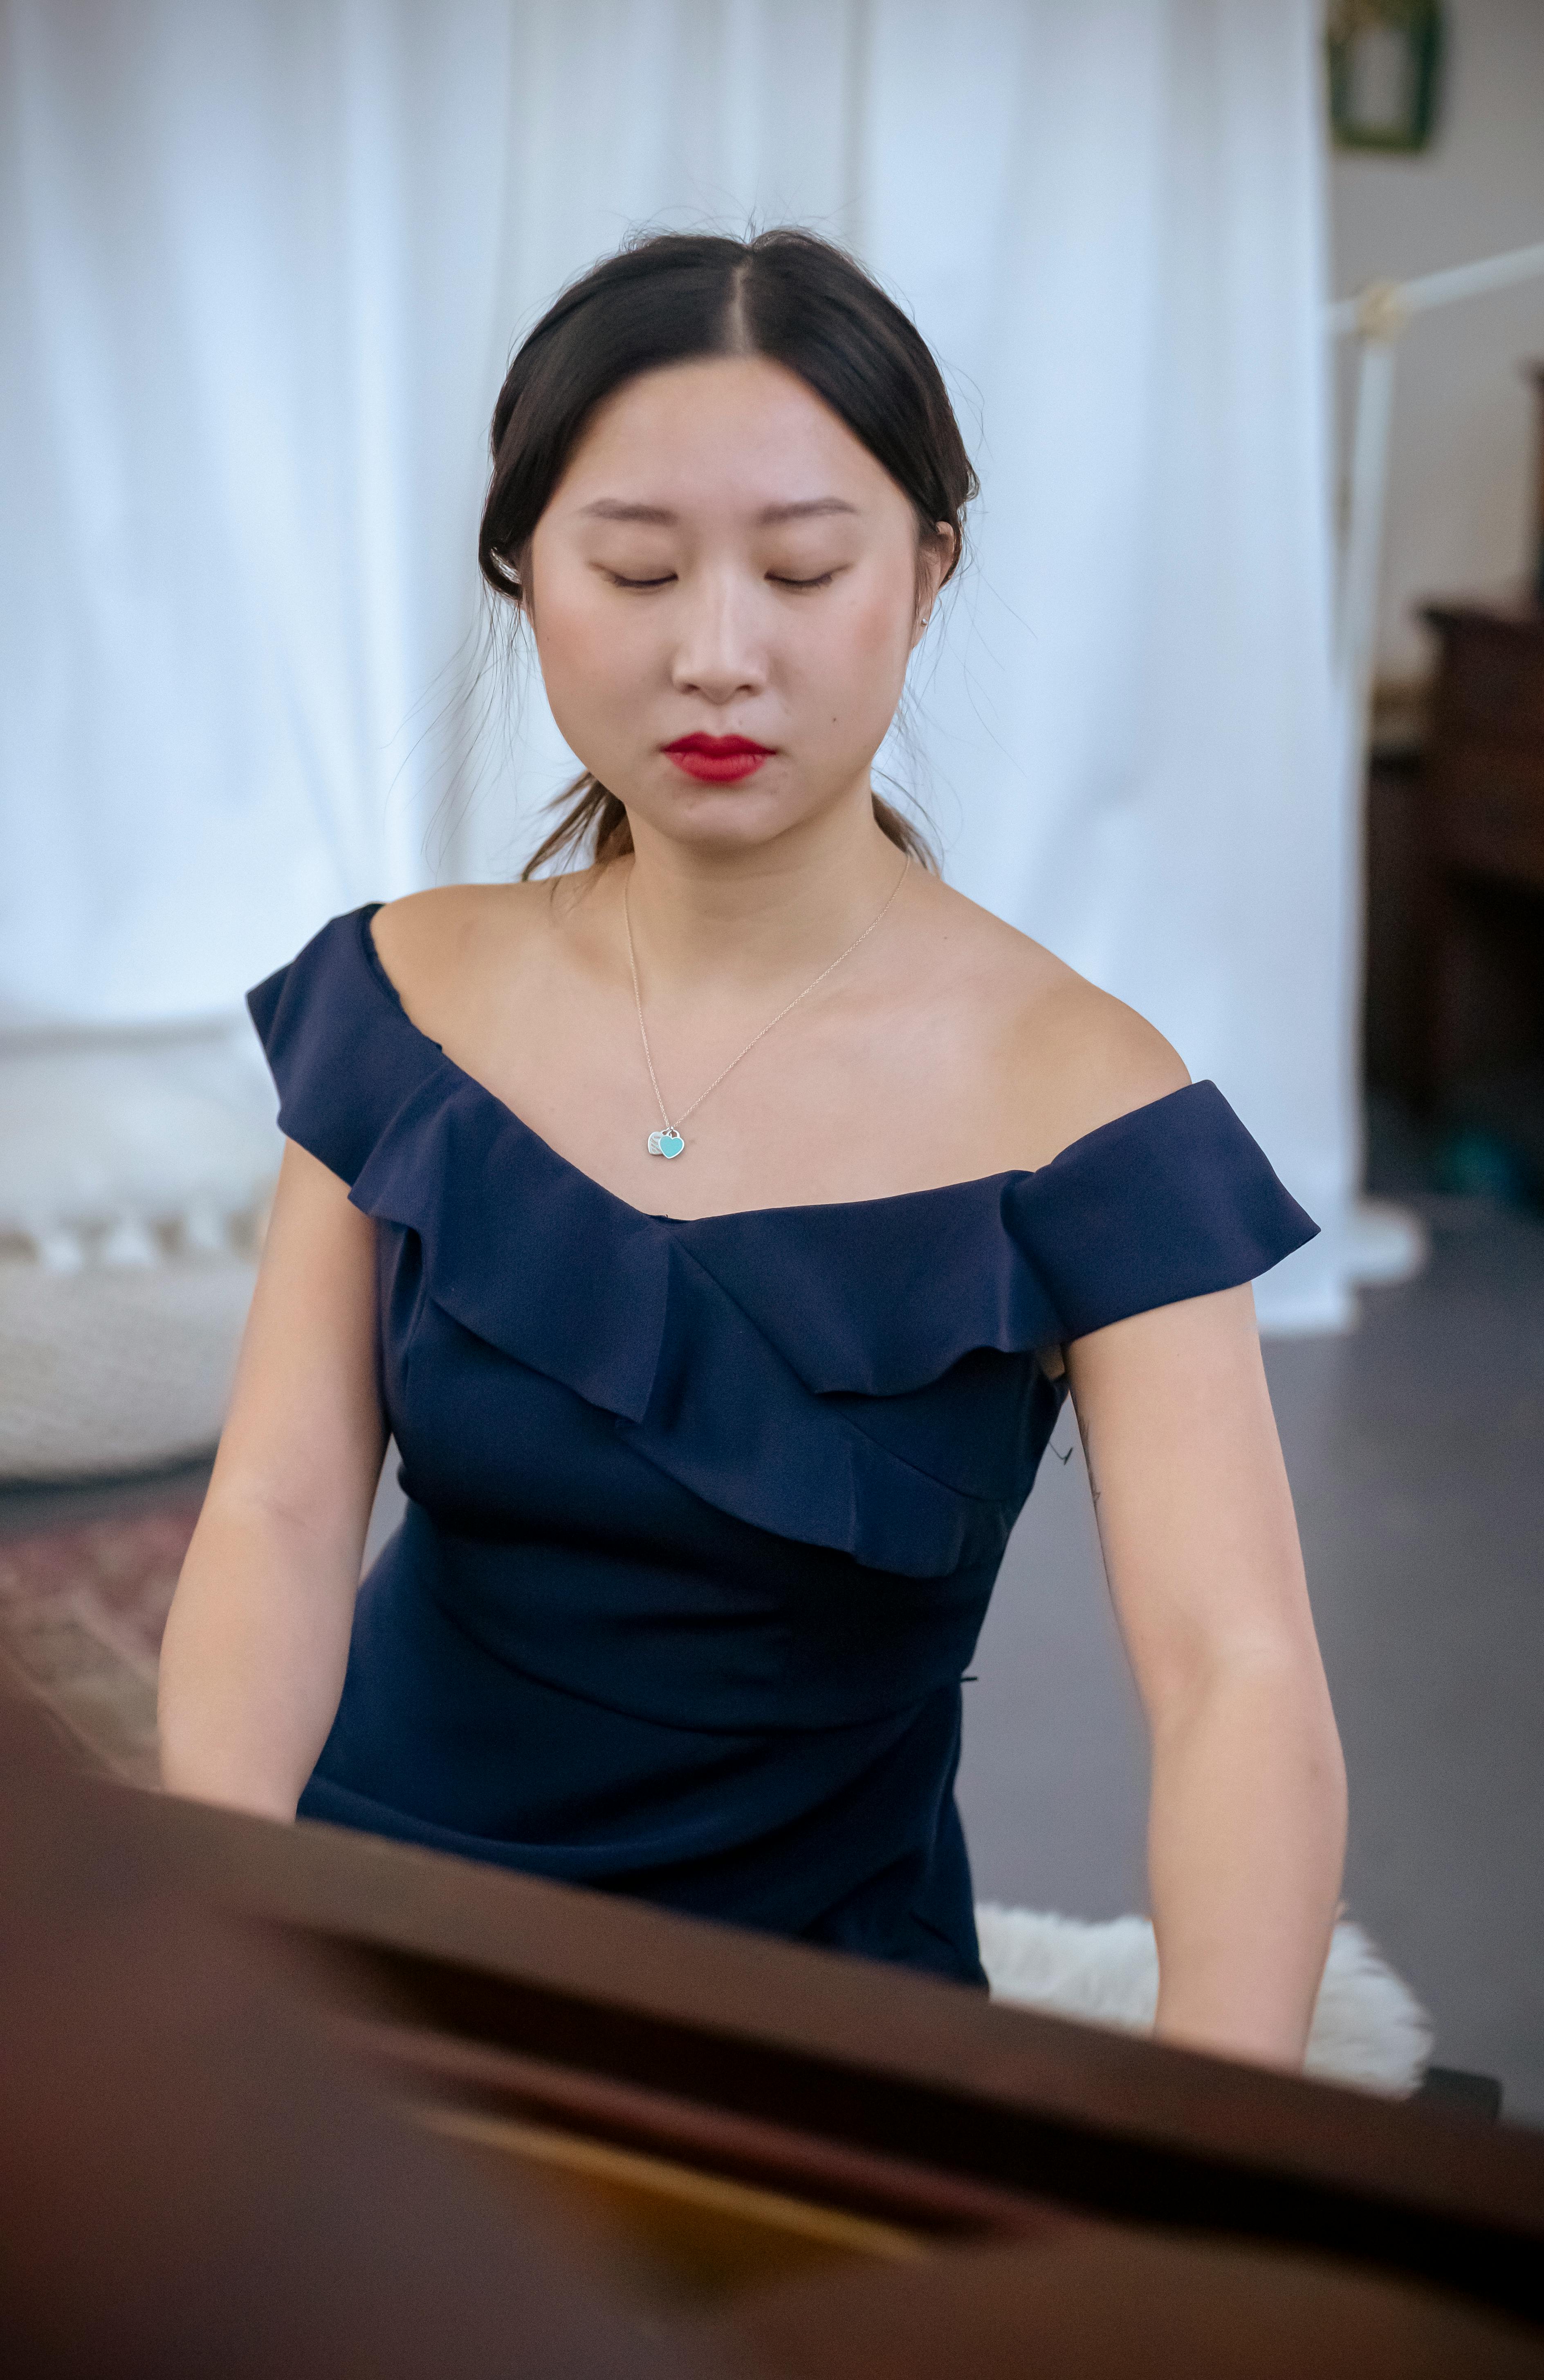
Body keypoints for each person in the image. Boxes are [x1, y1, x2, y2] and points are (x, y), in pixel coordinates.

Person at [159, 229, 1346, 2071]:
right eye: (635, 568)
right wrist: (229, 1937)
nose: (720, 653)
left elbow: (1234, 1675)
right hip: (383, 1931)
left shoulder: (1088, 1102)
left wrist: (1225, 2153)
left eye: (803, 568)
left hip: (811, 2012)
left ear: (927, 572)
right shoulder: (404, 995)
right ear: (525, 576)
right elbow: (283, 1513)